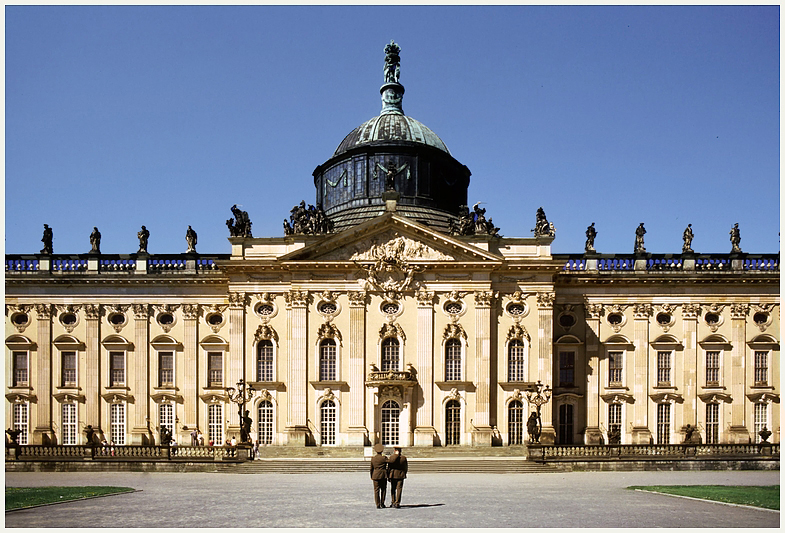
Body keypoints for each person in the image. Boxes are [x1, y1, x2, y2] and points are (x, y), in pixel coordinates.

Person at [370, 443, 388, 509]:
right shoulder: (384, 458)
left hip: (375, 475)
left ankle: (377, 504)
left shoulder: (373, 459)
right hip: (383, 475)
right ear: (382, 450)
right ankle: (382, 503)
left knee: (376, 490)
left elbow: (371, 468)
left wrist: (371, 476)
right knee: (383, 489)